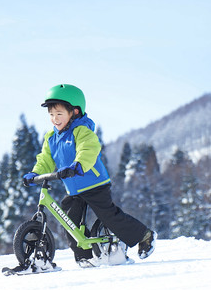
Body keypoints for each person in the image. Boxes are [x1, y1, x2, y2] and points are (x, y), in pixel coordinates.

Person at [23, 84, 155, 267]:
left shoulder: (82, 131)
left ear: (75, 112)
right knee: (70, 222)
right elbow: (46, 158)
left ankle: (144, 235)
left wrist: (78, 165)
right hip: (73, 188)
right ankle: (84, 256)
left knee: (109, 216)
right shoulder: (51, 138)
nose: (55, 119)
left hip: (94, 183)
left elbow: (88, 150)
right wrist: (36, 172)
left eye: (59, 114)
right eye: (51, 115)